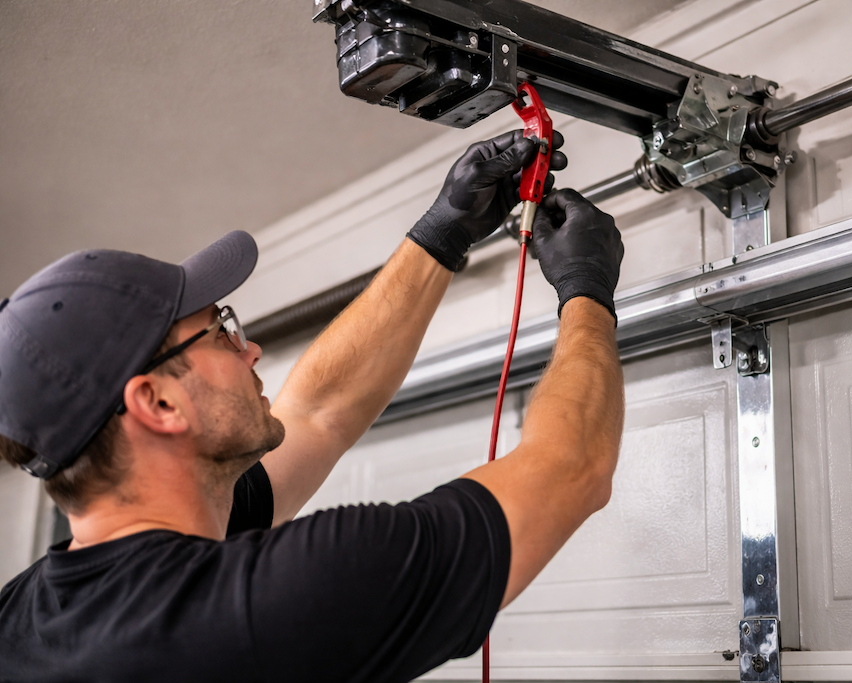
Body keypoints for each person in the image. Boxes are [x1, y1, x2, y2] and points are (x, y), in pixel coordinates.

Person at [0, 130, 625, 682]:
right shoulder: (260, 606)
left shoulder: (18, 619)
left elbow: (320, 413)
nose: (251, 349)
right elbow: (571, 467)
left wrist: (445, 230)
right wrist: (586, 288)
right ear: (158, 402)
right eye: (220, 330)